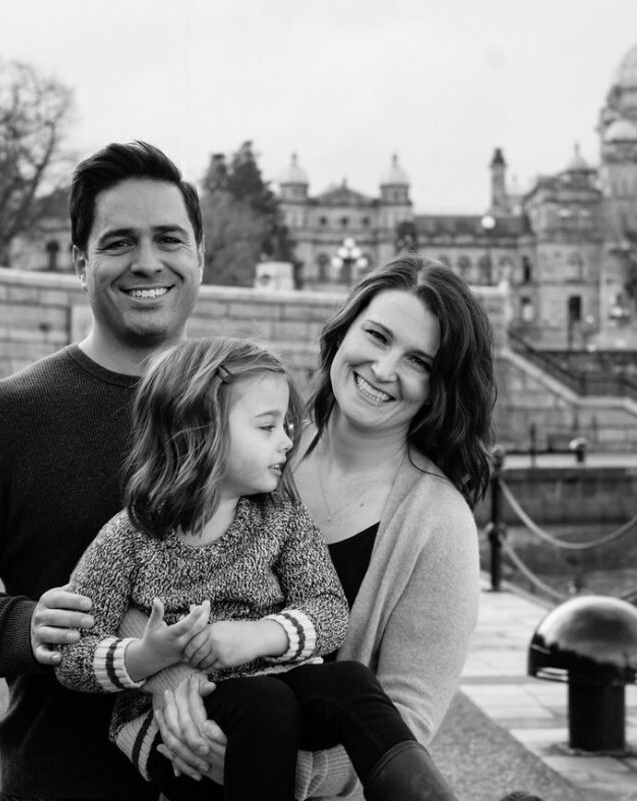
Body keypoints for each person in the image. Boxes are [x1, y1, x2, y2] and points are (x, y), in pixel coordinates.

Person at [0, 140, 205, 801]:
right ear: (80, 262)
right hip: (63, 781)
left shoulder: (251, 408)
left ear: (199, 255)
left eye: (169, 238)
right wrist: (22, 624)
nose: (148, 261)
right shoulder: (4, 417)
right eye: (119, 242)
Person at [57, 336, 485, 801]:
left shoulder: (279, 513)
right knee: (266, 705)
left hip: (271, 679)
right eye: (267, 428)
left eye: (286, 425)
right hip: (174, 725)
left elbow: (328, 609)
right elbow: (73, 655)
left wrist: (260, 635)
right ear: (200, 432)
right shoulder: (128, 537)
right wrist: (145, 657)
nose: (287, 441)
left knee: (348, 682)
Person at [152, 254, 505, 799]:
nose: (385, 370)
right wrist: (169, 684)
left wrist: (267, 764)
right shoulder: (243, 449)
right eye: (377, 336)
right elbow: (133, 570)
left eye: (419, 361)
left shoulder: (438, 523)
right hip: (184, 761)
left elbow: (404, 715)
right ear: (343, 332)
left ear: (440, 387)